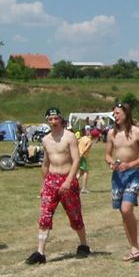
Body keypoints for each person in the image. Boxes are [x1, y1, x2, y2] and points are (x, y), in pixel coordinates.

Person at [25, 107, 89, 265]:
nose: (53, 122)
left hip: (68, 179)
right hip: (51, 180)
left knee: (75, 215)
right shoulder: (46, 140)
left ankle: (84, 245)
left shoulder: (69, 137)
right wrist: (44, 183)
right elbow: (46, 163)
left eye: (56, 119)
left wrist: (69, 180)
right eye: (50, 119)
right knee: (45, 216)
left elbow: (76, 160)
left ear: (61, 119)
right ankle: (40, 252)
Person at [105, 102, 139, 262]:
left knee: (126, 209)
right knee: (124, 214)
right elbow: (107, 155)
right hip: (118, 176)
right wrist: (111, 163)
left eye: (117, 113)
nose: (115, 116)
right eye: (114, 114)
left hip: (133, 175)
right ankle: (134, 248)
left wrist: (130, 165)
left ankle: (134, 247)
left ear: (126, 113)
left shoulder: (137, 132)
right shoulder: (111, 133)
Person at [77, 125, 93, 194]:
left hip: (78, 155)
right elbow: (85, 150)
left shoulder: (81, 138)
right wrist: (81, 155)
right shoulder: (89, 141)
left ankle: (72, 184)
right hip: (83, 157)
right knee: (86, 172)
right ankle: (84, 188)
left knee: (81, 172)